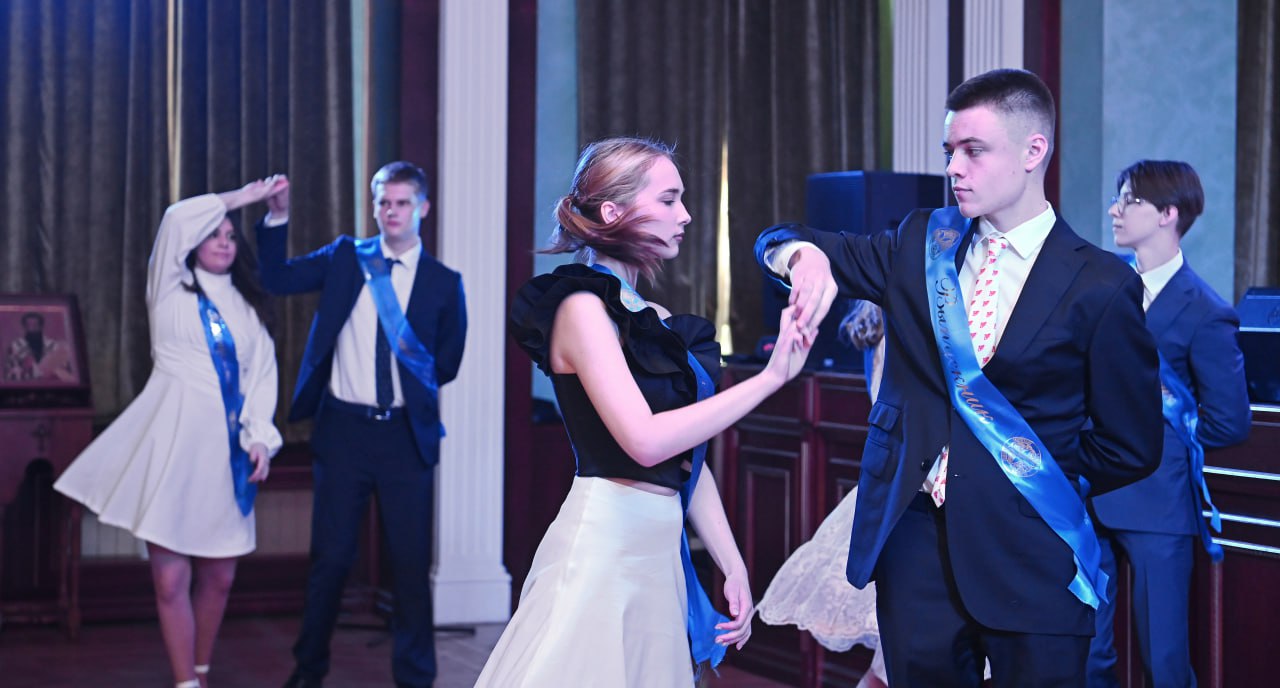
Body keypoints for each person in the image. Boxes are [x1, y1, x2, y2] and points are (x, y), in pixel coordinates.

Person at [755, 68, 1165, 686]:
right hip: (915, 545)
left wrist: (1033, 472)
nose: (954, 168)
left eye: (974, 151)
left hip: (1032, 549)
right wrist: (801, 257)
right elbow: (783, 238)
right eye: (949, 151)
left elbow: (1131, 444)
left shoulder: (1101, 284)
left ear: (1033, 151)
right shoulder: (920, 241)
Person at [476, 137, 813, 686]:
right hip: (605, 544)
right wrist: (771, 378)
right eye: (668, 199)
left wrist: (731, 562)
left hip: (658, 549)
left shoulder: (654, 317)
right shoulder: (581, 308)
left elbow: (686, 459)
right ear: (613, 212)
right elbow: (646, 440)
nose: (685, 215)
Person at [55, 180, 285, 688]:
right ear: (194, 243)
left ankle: (200, 671)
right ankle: (186, 684)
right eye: (214, 234)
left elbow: (261, 381)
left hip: (223, 455)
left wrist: (260, 440)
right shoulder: (169, 290)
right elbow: (177, 218)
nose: (224, 242)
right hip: (172, 446)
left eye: (231, 236)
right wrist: (242, 199)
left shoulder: (249, 312)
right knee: (169, 577)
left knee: (220, 576)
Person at [259, 163, 467, 688]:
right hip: (344, 433)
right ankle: (308, 672)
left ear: (422, 208)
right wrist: (277, 217)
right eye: (383, 202)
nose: (390, 212)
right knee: (330, 562)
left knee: (410, 566)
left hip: (404, 438)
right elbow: (276, 278)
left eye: (401, 202)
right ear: (374, 206)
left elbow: (446, 363)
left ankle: (415, 679)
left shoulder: (444, 284)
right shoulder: (347, 258)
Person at [1086, 160, 1252, 687]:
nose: (1115, 210)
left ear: (1168, 214)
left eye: (1129, 200)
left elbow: (1228, 422)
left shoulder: (1206, 310)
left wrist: (1158, 446)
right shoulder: (1103, 287)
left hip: (1157, 504)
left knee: (1164, 659)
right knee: (1086, 655)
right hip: (1087, 492)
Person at [756, 300, 889, 688]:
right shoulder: (908, 324)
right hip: (911, 493)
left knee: (895, 663)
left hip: (895, 486)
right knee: (898, 663)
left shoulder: (880, 323)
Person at [5, 311, 76, 382]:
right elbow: (9, 374)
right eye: (28, 326)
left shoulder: (54, 346)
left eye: (35, 325)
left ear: (41, 326)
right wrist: (27, 370)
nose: (31, 329)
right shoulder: (14, 347)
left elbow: (66, 372)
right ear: (24, 327)